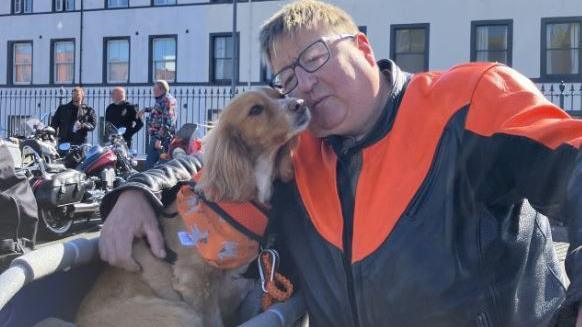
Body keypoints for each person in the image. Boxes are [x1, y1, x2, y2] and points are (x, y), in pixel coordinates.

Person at [98, 1, 582, 325]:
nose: (301, 85)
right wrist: (135, 191)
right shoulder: (298, 152)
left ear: (364, 48)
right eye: (286, 76)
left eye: (313, 57)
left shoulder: (468, 101)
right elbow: (209, 167)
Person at [140, 80, 176, 169]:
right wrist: (145, 109)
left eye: (155, 89)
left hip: (161, 137)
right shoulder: (163, 100)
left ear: (161, 89)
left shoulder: (166, 100)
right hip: (159, 136)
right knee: (160, 164)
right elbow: (159, 110)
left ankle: (146, 182)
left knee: (150, 164)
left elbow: (168, 120)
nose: (153, 91)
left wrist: (159, 138)